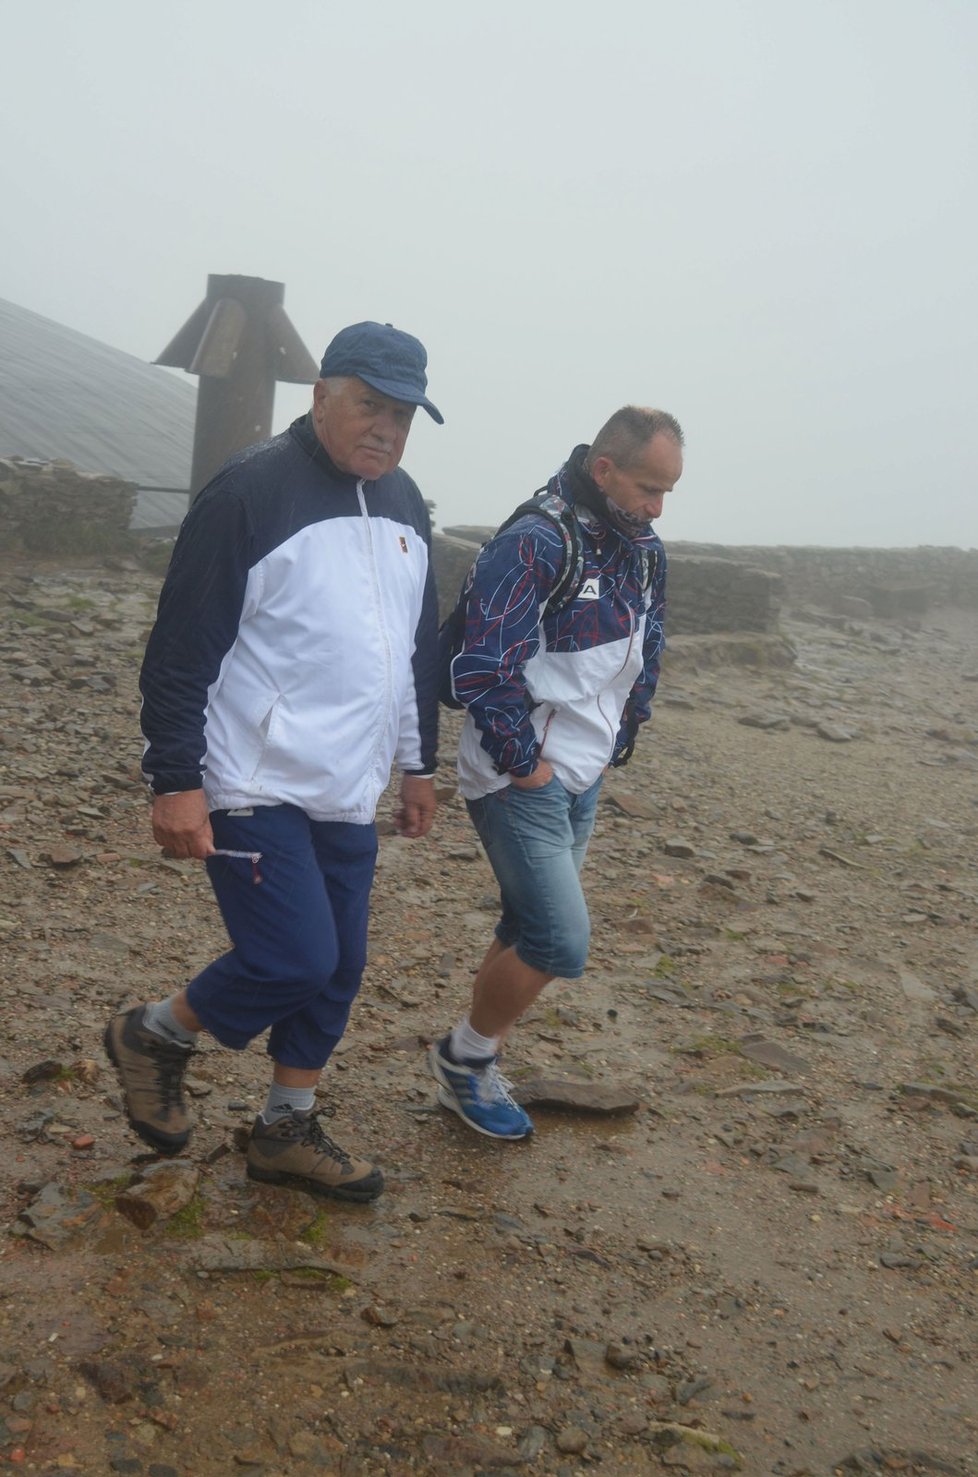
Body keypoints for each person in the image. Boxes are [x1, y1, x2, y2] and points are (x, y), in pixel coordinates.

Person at [105, 321, 442, 1201]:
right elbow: (181, 649)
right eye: (370, 404)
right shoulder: (249, 492)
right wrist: (176, 780)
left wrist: (418, 763)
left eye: (403, 414)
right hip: (250, 778)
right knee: (292, 957)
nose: (386, 428)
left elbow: (412, 651)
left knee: (339, 967)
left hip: (346, 785)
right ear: (322, 393)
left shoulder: (404, 504)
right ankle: (155, 1034)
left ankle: (286, 1127)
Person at [430, 406, 683, 1139]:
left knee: (525, 920)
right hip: (522, 776)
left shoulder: (642, 547)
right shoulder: (536, 541)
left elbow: (650, 637)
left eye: (668, 492)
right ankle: (463, 1060)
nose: (656, 507)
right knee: (559, 940)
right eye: (646, 486)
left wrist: (623, 734)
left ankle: (473, 1063)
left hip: (585, 770)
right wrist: (525, 766)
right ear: (603, 469)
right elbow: (483, 667)